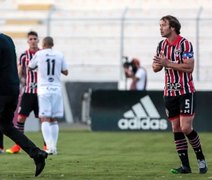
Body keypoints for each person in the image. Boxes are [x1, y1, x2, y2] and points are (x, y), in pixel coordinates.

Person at [152, 15, 207, 174]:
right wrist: (157, 64)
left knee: (185, 127)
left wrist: (168, 63)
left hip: (185, 91)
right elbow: (156, 68)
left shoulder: (185, 44)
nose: (160, 28)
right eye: (160, 25)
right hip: (169, 92)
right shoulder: (161, 45)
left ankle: (200, 158)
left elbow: (189, 68)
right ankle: (185, 166)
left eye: (163, 25)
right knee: (176, 128)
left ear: (173, 27)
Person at [0, 32, 48, 176]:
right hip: (13, 89)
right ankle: (36, 153)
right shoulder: (7, 39)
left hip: (1, 91)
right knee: (6, 126)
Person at [29, 36, 68, 155]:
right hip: (56, 88)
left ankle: (49, 147)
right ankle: (54, 147)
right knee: (53, 119)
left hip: (44, 89)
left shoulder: (39, 54)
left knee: (44, 118)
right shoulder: (60, 55)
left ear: (43, 44)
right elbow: (66, 72)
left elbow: (30, 67)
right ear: (53, 44)